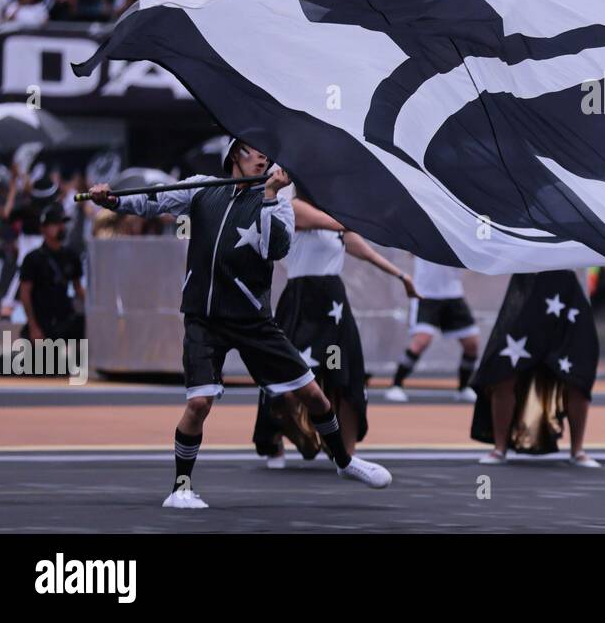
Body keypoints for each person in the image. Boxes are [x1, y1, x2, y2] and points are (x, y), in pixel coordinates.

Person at [89, 137, 392, 508]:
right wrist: (113, 200)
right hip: (204, 317)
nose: (263, 156)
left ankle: (344, 462)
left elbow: (274, 247)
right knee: (198, 404)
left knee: (313, 394)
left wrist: (268, 197)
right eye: (253, 148)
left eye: (267, 151)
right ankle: (180, 487)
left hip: (253, 321)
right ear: (234, 154)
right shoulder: (201, 188)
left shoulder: (279, 202)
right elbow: (154, 199)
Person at [253, 190, 418, 467]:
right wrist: (381, 217)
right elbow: (340, 224)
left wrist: (402, 276)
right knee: (288, 374)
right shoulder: (294, 208)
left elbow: (363, 250)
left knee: (346, 374)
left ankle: (347, 454)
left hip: (334, 304)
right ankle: (276, 442)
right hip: (302, 300)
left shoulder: (336, 222)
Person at [472, 266, 605, 467]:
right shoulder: (526, 232)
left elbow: (604, 254)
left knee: (579, 374)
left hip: (570, 302)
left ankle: (577, 450)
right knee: (502, 370)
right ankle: (499, 449)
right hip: (527, 295)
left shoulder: (584, 233)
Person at [386, 257, 480, 402]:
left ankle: (463, 388)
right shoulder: (425, 235)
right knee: (421, 341)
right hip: (425, 294)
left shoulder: (462, 235)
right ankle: (396, 385)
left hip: (453, 295)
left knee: (472, 344)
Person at [17, 203, 84, 343]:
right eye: (55, 224)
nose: (61, 227)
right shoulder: (32, 259)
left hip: (65, 320)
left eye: (62, 223)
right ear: (43, 228)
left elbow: (78, 288)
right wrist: (33, 325)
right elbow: (25, 294)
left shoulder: (71, 256)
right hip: (42, 322)